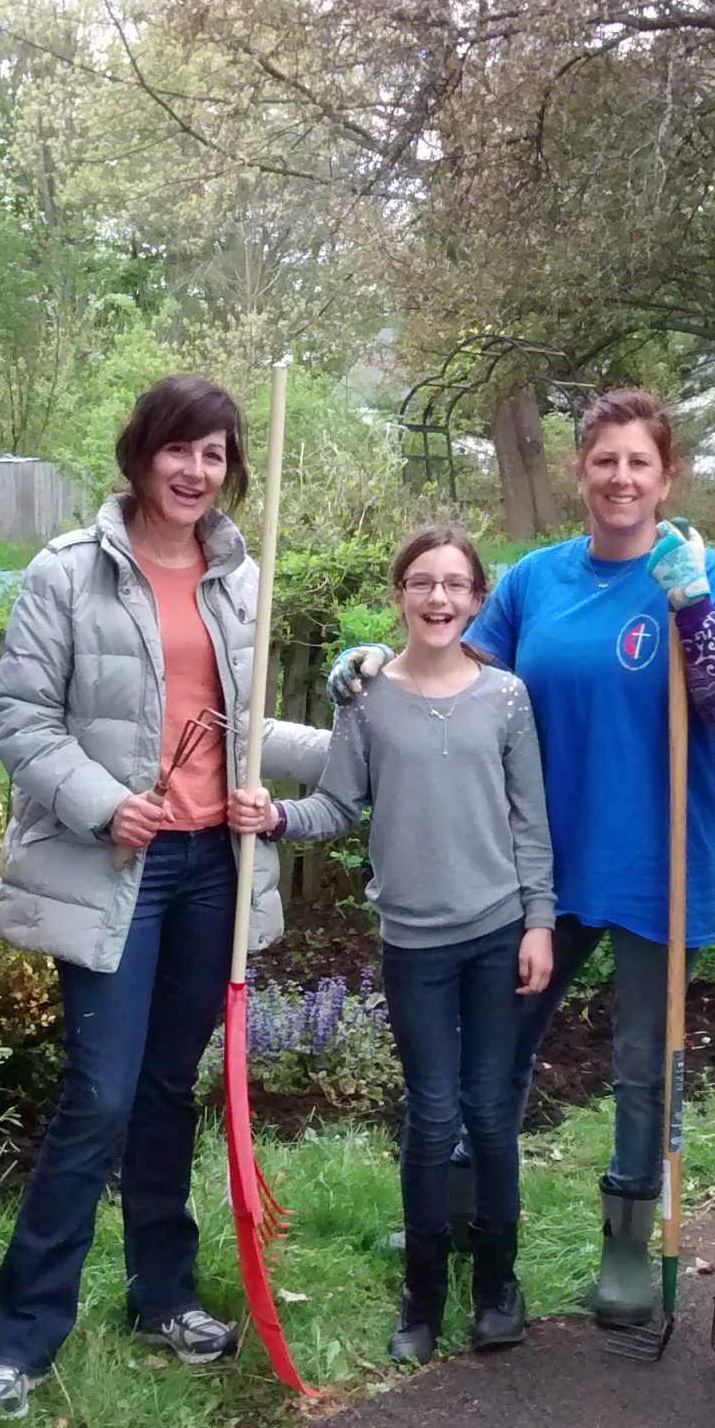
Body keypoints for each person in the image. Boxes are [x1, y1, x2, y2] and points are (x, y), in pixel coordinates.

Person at [330, 389, 715, 1323]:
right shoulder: (535, 580)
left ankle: (627, 1243)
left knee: (648, 1059)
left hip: (656, 854)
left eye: (639, 462)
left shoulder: (699, 570)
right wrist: (372, 661)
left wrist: (691, 610)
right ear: (579, 469)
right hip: (536, 867)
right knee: (501, 1047)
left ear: (665, 475)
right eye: (604, 459)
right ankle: (462, 1210)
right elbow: (450, 677)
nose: (621, 477)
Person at [0, 374, 328, 1419]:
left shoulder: (237, 578)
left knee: (171, 1088)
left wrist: (371, 720)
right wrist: (102, 804)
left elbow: (254, 724)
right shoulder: (68, 573)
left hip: (212, 863)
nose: (194, 471)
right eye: (179, 449)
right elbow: (22, 720)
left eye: (214, 455)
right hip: (118, 865)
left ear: (230, 470)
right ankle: (24, 1336)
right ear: (141, 453)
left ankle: (162, 1295)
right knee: (102, 1096)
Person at [232, 524, 556, 1363]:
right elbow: (337, 807)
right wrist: (273, 816)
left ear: (477, 600)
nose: (438, 598)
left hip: (495, 936)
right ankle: (421, 1293)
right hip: (414, 943)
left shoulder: (508, 698)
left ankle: (496, 1285)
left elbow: (530, 823)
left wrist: (541, 924)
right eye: (422, 583)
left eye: (454, 584)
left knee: (489, 1115)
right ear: (399, 595)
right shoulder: (366, 700)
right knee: (431, 1113)